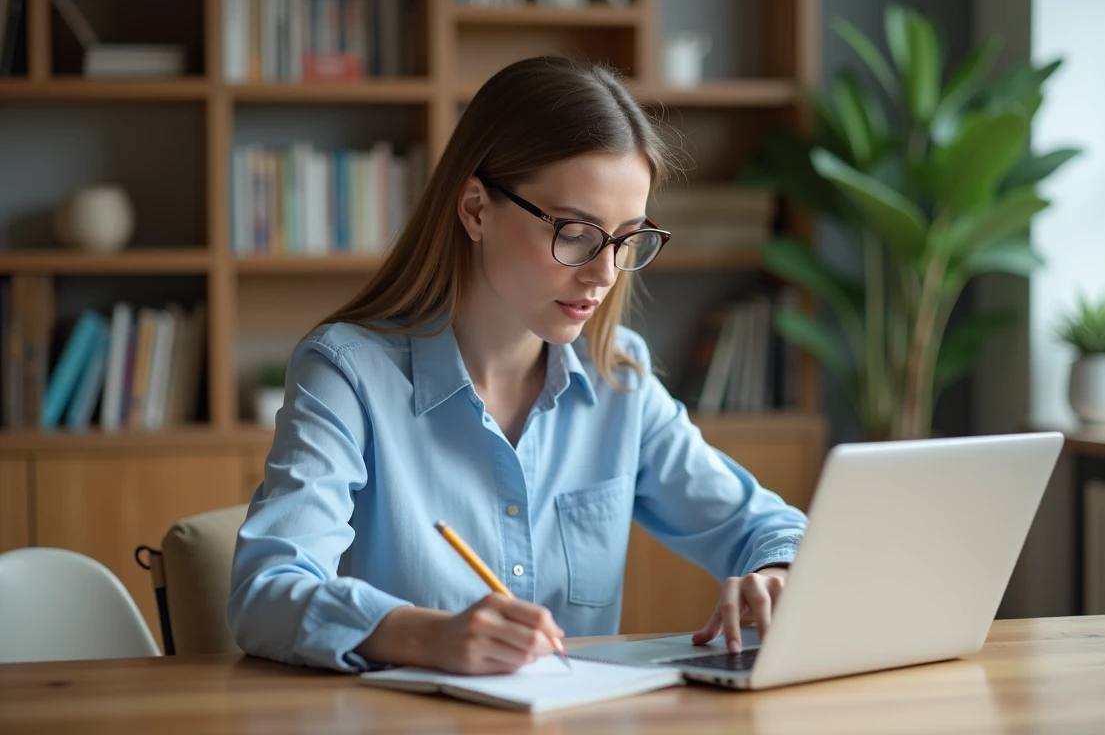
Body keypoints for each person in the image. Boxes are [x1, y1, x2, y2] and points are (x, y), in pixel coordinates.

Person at [226, 55, 808, 675]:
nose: (604, 273)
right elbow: (266, 591)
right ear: (476, 209)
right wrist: (429, 636)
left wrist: (774, 572)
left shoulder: (620, 380)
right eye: (577, 232)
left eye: (626, 238)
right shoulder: (347, 374)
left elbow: (768, 526)